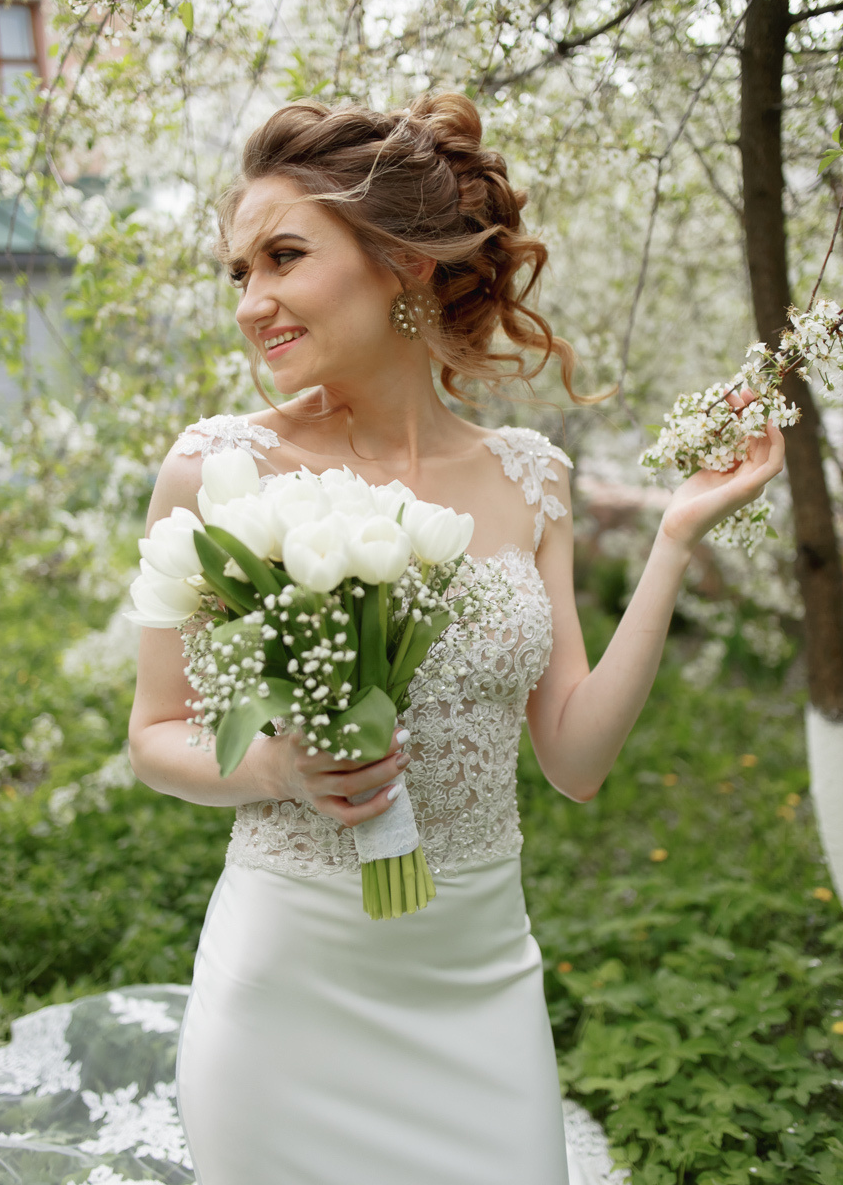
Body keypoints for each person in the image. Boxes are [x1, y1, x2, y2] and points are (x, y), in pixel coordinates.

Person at [127, 92, 785, 1185]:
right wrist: (281, 766)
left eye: (283, 256)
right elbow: (156, 734)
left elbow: (573, 760)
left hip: (480, 975)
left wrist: (673, 539)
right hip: (289, 988)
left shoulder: (532, 475)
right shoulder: (215, 467)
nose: (253, 302)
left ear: (405, 260)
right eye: (237, 272)